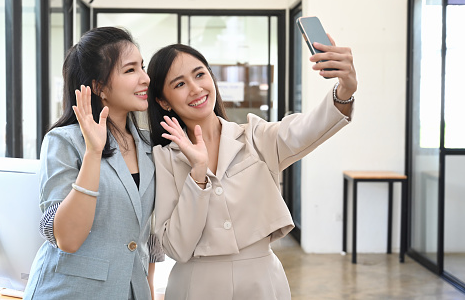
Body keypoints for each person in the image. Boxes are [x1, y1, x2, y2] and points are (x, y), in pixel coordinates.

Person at [146, 39, 356, 299]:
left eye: (200, 74)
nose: (195, 88)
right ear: (163, 102)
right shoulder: (164, 159)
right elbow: (176, 247)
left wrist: (345, 89)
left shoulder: (256, 136)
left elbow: (308, 128)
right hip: (195, 286)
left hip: (263, 283)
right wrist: (197, 174)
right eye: (179, 84)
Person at [23, 27, 163, 300]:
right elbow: (67, 238)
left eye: (142, 67)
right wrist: (93, 153)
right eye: (131, 70)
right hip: (69, 292)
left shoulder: (149, 146)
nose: (146, 78)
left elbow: (147, 236)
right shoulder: (64, 141)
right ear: (99, 87)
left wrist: (149, 290)